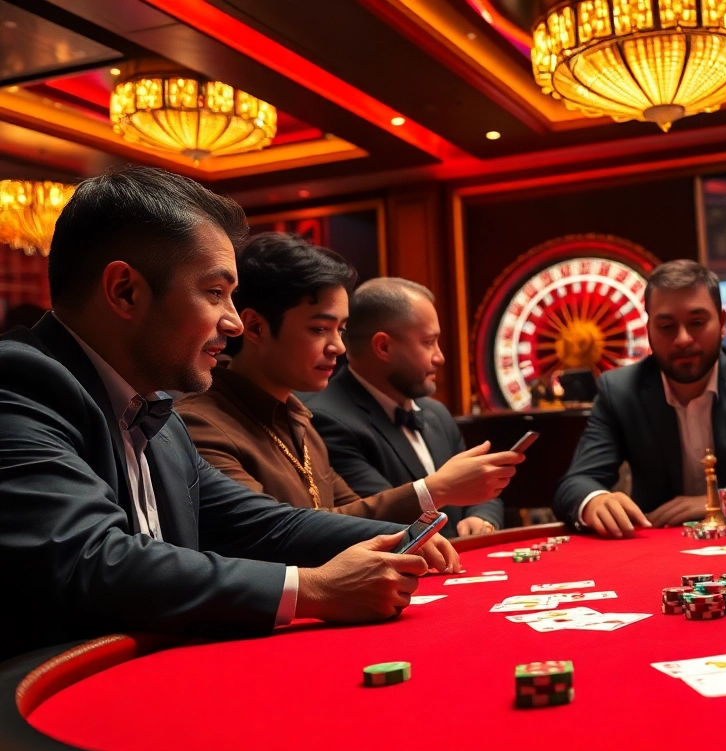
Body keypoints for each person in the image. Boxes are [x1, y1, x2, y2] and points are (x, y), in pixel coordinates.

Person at [0, 167, 457, 660]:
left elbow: (262, 525)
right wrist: (312, 589)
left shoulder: (159, 414)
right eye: (215, 293)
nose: (236, 322)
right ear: (125, 291)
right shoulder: (20, 385)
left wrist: (404, 539)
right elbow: (91, 560)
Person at [177, 233, 519, 525]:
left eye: (340, 329)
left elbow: (349, 518)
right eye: (319, 329)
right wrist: (434, 490)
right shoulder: (201, 422)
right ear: (254, 327)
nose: (338, 347)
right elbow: (273, 531)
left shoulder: (298, 419)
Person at [552, 259, 726, 538]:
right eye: (667, 326)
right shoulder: (619, 390)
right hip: (654, 544)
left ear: (721, 321)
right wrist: (594, 500)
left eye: (696, 322)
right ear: (649, 330)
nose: (682, 339)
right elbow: (577, 482)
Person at [308, 277, 509, 537]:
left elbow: (481, 490)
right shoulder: (326, 419)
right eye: (428, 342)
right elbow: (386, 517)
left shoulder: (436, 412)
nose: (440, 357)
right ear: (384, 346)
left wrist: (483, 519)